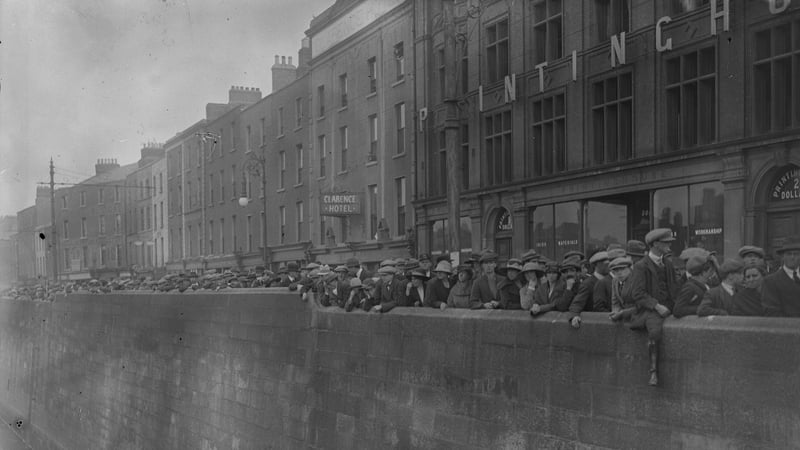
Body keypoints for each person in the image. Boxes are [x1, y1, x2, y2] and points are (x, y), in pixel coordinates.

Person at [628, 228, 680, 386]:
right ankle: (653, 371)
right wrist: (656, 306)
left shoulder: (668, 264)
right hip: (651, 309)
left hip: (669, 306)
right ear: (655, 244)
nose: (669, 245)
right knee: (655, 332)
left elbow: (674, 288)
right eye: (666, 243)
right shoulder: (641, 266)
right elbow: (637, 294)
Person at [567, 251, 610, 329]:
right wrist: (574, 316)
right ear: (596, 265)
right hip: (597, 325)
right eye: (606, 264)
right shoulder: (588, 284)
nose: (609, 266)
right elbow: (577, 303)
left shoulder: (612, 280)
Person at [761, 235, 800, 316]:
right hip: (786, 326)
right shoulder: (770, 281)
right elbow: (770, 311)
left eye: (796, 254)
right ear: (782, 257)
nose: (792, 257)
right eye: (789, 254)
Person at [608, 256, 635, 321]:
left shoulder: (636, 280)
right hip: (624, 319)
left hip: (639, 318)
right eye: (616, 270)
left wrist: (623, 313)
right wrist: (615, 311)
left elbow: (641, 305)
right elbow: (615, 301)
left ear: (629, 268)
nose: (619, 273)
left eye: (622, 269)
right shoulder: (615, 280)